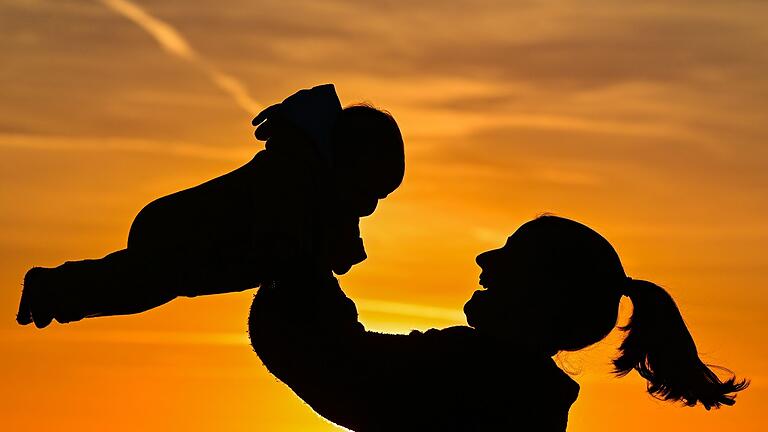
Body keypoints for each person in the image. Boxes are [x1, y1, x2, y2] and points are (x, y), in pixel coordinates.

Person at [249, 215, 748, 431]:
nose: (484, 257)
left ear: (540, 293)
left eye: (511, 254)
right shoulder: (529, 400)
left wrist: (301, 265)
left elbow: (332, 364)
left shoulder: (467, 374)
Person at [16, 84, 405, 328]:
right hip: (180, 230)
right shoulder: (292, 174)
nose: (368, 208)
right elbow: (286, 245)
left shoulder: (319, 189)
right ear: (349, 162)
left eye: (379, 200)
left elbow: (316, 248)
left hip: (194, 249)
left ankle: (58, 293)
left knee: (138, 290)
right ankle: (51, 287)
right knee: (136, 286)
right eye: (370, 191)